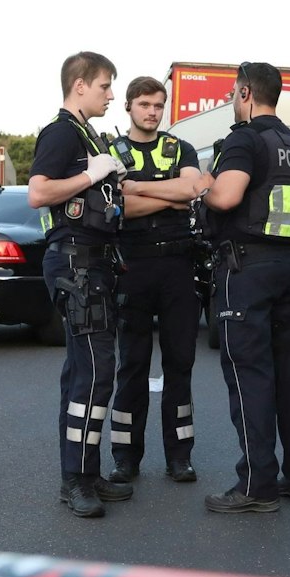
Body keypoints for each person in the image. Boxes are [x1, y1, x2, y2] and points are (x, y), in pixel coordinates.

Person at [201, 62, 290, 515]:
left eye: (235, 93)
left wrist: (203, 186)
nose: (234, 101)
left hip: (245, 270)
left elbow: (228, 197)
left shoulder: (245, 138)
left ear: (247, 93)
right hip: (285, 268)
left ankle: (256, 485)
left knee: (249, 374)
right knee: (289, 373)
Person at [30, 53, 131, 516]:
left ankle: (85, 471)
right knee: (95, 373)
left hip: (93, 265)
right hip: (76, 266)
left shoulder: (89, 133)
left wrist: (113, 177)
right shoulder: (62, 132)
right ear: (79, 85)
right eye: (106, 85)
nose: (112, 94)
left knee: (83, 373)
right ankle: (76, 480)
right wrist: (93, 173)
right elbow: (38, 192)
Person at [109, 76, 209, 485]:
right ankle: (125, 458)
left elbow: (192, 191)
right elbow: (118, 205)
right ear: (129, 107)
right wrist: (165, 193)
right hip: (132, 266)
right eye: (144, 104)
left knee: (180, 364)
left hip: (178, 267)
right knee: (131, 366)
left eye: (158, 105)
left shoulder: (179, 147)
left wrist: (139, 188)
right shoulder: (112, 151)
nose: (152, 112)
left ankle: (179, 456)